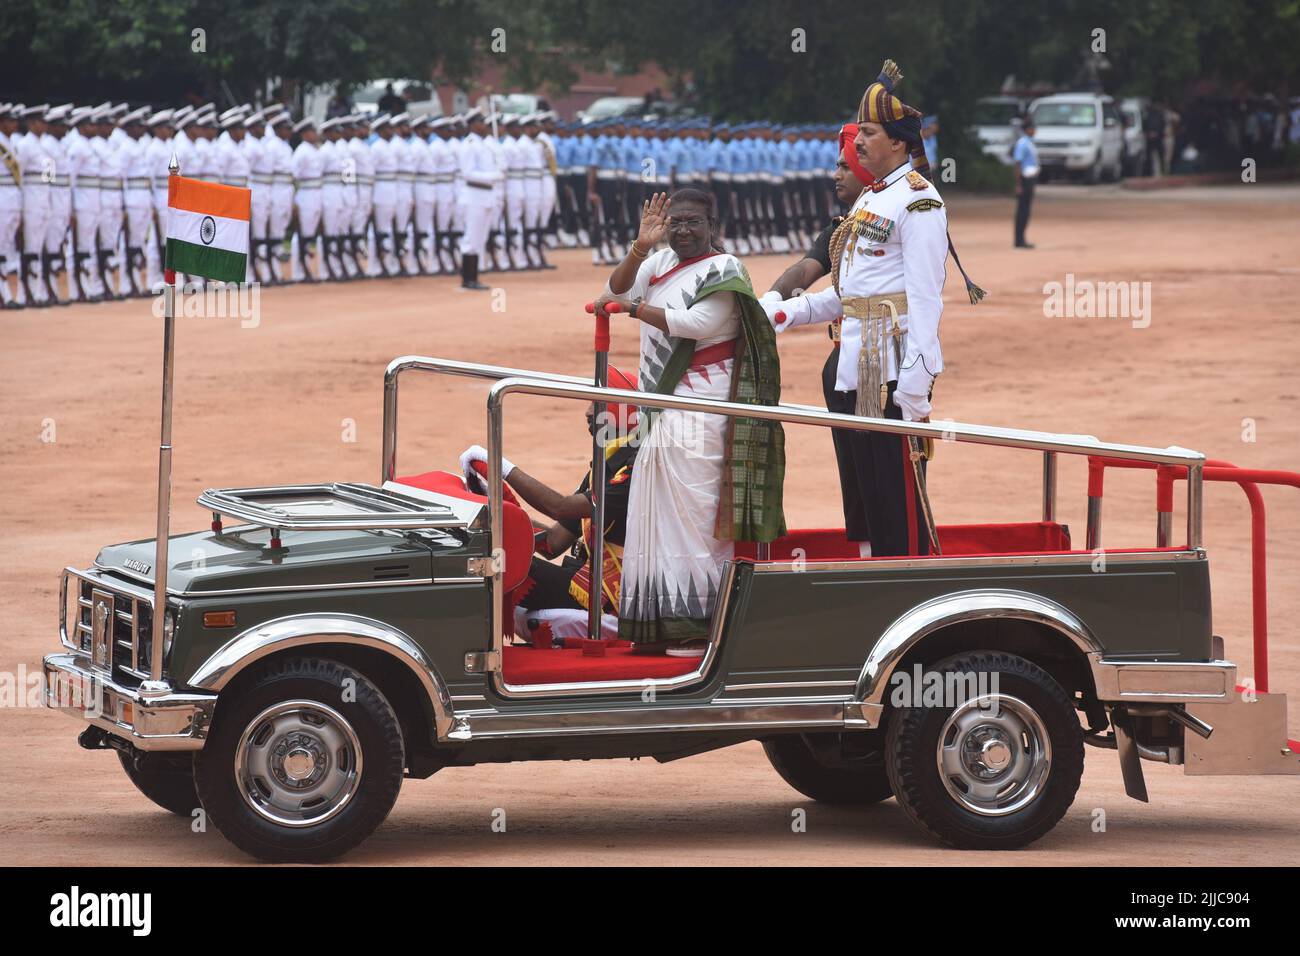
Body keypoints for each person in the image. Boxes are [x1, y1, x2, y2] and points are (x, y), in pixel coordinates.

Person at [760, 60, 956, 559]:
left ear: (898, 142)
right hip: (857, 359)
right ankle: (875, 574)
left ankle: (906, 587)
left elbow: (926, 297)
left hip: (889, 365)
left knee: (897, 496)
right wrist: (785, 314)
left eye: (869, 132)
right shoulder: (873, 199)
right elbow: (852, 294)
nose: (860, 141)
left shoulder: (918, 202)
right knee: (868, 490)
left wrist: (917, 375)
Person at [593, 188, 785, 655]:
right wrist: (640, 247)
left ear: (711, 224)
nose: (682, 229)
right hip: (660, 410)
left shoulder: (727, 269)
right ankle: (657, 625)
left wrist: (635, 310)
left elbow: (696, 324)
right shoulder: (656, 263)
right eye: (675, 221)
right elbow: (608, 295)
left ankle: (699, 626)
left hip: (702, 406)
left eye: (692, 221)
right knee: (655, 513)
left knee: (696, 519)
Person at [459, 368, 641, 643]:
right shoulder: (606, 464)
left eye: (598, 404)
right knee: (496, 553)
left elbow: (561, 507)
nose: (588, 413)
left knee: (494, 564)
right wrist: (498, 511)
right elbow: (554, 542)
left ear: (621, 412)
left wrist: (502, 467)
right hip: (587, 578)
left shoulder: (635, 467)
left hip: (611, 596)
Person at [766, 122, 871, 299]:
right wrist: (771, 300)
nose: (836, 175)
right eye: (837, 166)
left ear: (866, 170)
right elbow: (805, 269)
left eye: (846, 167)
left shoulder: (892, 214)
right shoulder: (843, 226)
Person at [1012, 116, 1039, 248]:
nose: (1035, 131)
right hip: (1024, 179)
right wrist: (1018, 184)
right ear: (1028, 130)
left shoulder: (1030, 142)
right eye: (1033, 128)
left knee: (1026, 210)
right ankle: (1019, 239)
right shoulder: (1023, 143)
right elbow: (1017, 163)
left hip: (1030, 178)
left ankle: (1022, 238)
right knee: (1022, 210)